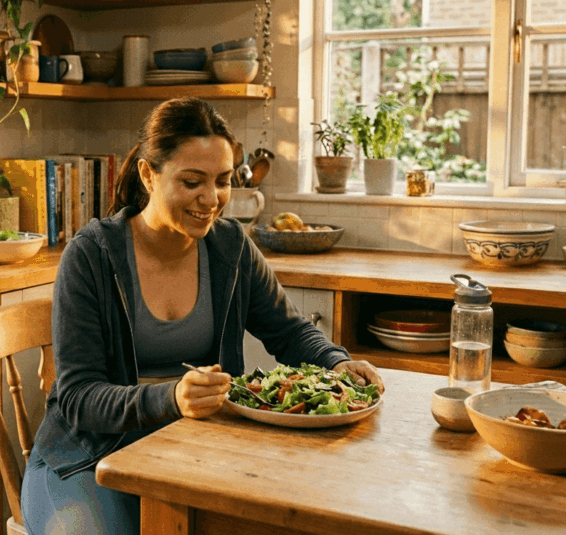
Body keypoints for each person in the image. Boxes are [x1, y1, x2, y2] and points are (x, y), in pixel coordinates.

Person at [21, 97, 385, 535]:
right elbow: (79, 399)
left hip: (196, 451)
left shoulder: (230, 248)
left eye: (223, 181)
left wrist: (336, 362)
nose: (211, 200)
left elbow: (288, 331)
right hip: (87, 456)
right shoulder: (92, 255)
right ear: (148, 174)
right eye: (192, 181)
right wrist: (172, 399)